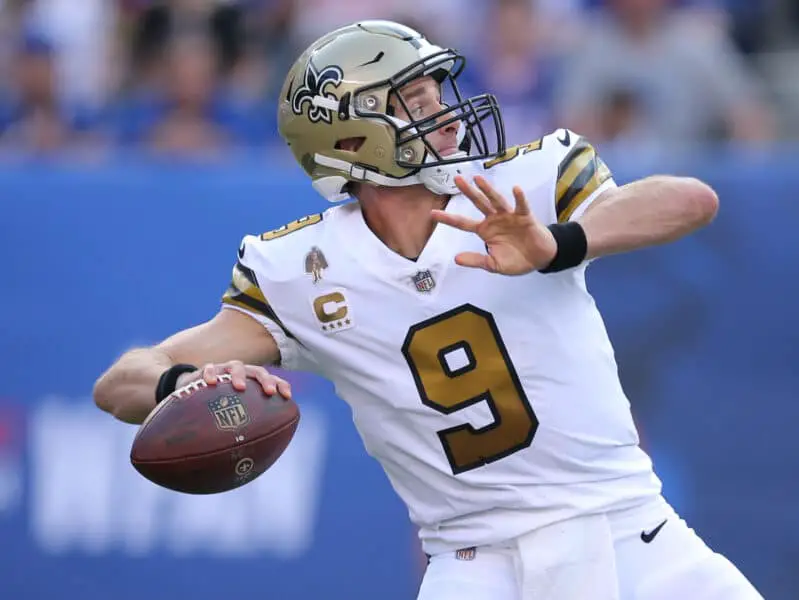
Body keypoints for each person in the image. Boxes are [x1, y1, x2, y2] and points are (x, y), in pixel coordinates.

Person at [94, 19, 763, 600]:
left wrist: (556, 244)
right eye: (415, 101)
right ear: (351, 139)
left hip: (626, 528)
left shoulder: (522, 184)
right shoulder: (300, 269)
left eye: (437, 95)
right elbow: (118, 383)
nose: (444, 114)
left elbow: (690, 201)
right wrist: (184, 382)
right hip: (476, 564)